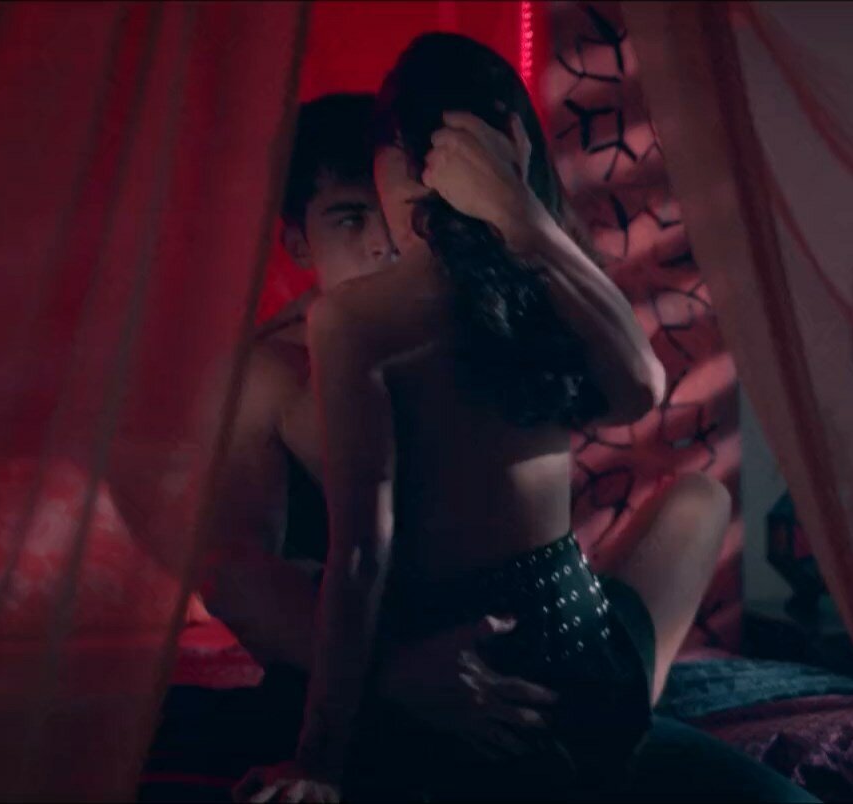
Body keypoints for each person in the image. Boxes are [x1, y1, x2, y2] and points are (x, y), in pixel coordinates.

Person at [214, 58, 814, 802]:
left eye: (407, 195)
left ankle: (614, 688)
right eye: (349, 216)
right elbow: (237, 570)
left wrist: (519, 220)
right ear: (299, 242)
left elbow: (633, 391)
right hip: (418, 658)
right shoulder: (275, 369)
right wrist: (394, 678)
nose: (384, 239)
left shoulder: (487, 304)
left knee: (700, 501)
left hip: (561, 633)